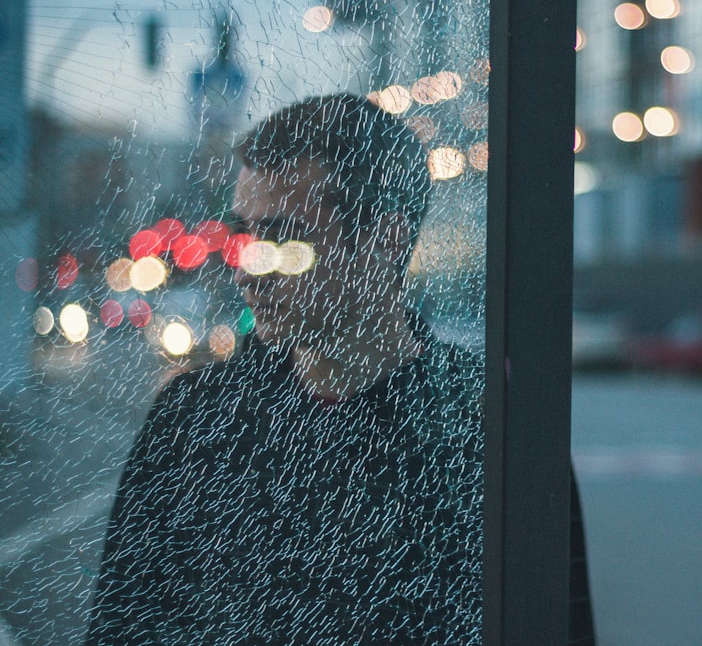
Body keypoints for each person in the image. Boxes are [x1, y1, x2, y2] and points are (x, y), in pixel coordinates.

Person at [86, 93, 593, 644]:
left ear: (384, 241)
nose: (247, 269)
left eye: (282, 238)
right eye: (244, 235)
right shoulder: (194, 424)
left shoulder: (491, 429)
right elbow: (124, 624)